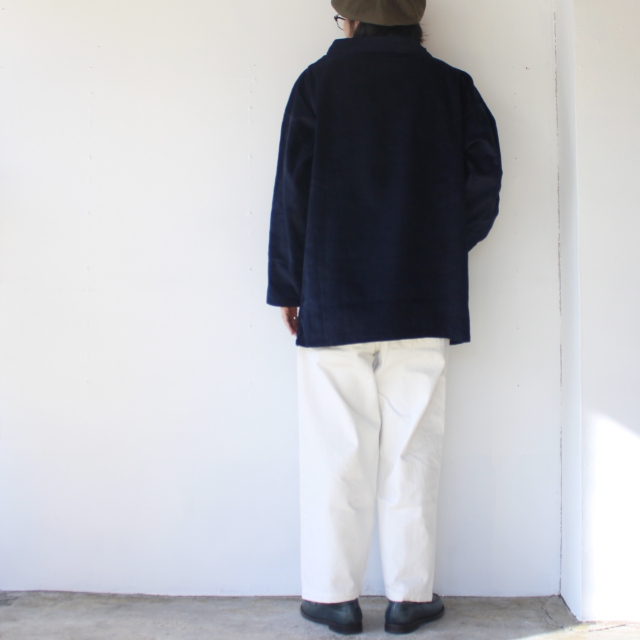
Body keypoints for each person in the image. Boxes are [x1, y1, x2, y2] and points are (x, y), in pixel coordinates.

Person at [267, 0, 502, 634]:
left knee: (334, 451)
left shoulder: (317, 84)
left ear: (349, 21)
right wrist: (440, 244)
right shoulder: (452, 88)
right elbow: (484, 183)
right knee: (413, 451)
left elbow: (292, 191)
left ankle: (332, 597)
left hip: (331, 293)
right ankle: (410, 597)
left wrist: (288, 284)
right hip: (423, 295)